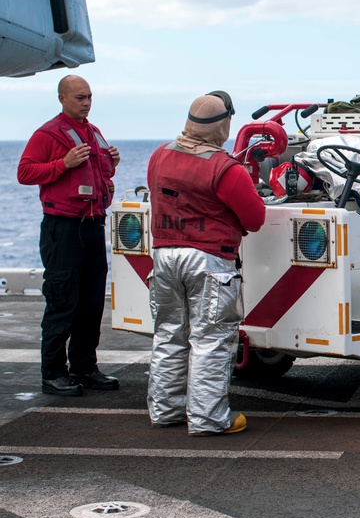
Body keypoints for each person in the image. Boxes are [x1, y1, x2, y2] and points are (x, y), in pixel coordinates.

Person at [146, 92, 266, 436]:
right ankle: (209, 418)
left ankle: (165, 410)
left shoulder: (159, 155)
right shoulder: (225, 169)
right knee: (211, 341)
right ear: (223, 125)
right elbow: (255, 218)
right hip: (209, 260)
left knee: (169, 335)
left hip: (165, 256)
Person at [16, 75, 121, 397]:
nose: (86, 102)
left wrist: (112, 163)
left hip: (91, 226)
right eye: (79, 97)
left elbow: (99, 174)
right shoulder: (48, 134)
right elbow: (25, 172)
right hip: (62, 228)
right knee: (63, 302)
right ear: (62, 98)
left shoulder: (94, 133)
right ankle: (53, 374)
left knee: (90, 303)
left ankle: (84, 368)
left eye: (89, 96)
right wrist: (62, 163)